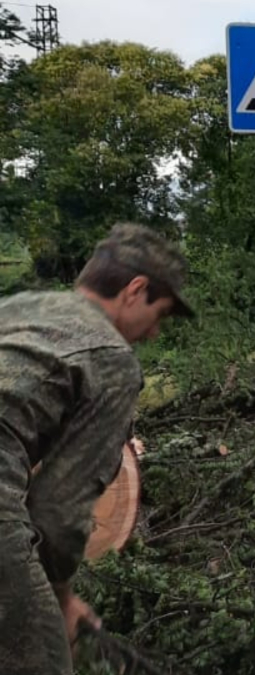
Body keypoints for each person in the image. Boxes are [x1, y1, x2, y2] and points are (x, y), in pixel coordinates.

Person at [0, 223, 192, 675]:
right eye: (159, 314)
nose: (154, 333)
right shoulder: (110, 357)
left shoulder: (22, 307)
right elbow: (57, 508)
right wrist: (61, 598)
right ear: (135, 289)